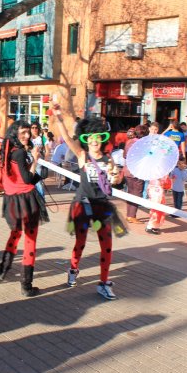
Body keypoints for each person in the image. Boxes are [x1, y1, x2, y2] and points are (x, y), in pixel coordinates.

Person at [53, 105, 125, 300]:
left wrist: (117, 177)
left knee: (107, 245)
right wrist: (58, 116)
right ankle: (73, 269)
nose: (94, 140)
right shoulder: (82, 155)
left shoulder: (109, 159)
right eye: (90, 137)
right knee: (81, 242)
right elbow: (67, 138)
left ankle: (103, 283)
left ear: (102, 138)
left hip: (102, 206)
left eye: (98, 136)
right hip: (83, 204)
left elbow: (115, 183)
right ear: (86, 138)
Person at [0, 120, 48, 297]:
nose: (27, 135)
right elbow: (26, 180)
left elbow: (18, 177)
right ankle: (26, 284)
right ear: (15, 134)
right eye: (23, 132)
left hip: (12, 199)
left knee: (15, 234)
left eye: (28, 132)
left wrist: (38, 172)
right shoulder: (18, 153)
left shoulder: (7, 150)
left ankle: (2, 270)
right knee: (30, 240)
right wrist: (35, 160)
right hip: (26, 199)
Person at [124, 125, 146, 224]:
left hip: (128, 170)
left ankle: (129, 215)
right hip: (138, 171)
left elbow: (124, 155)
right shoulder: (143, 144)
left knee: (130, 192)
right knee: (137, 193)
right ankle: (132, 216)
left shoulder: (129, 142)